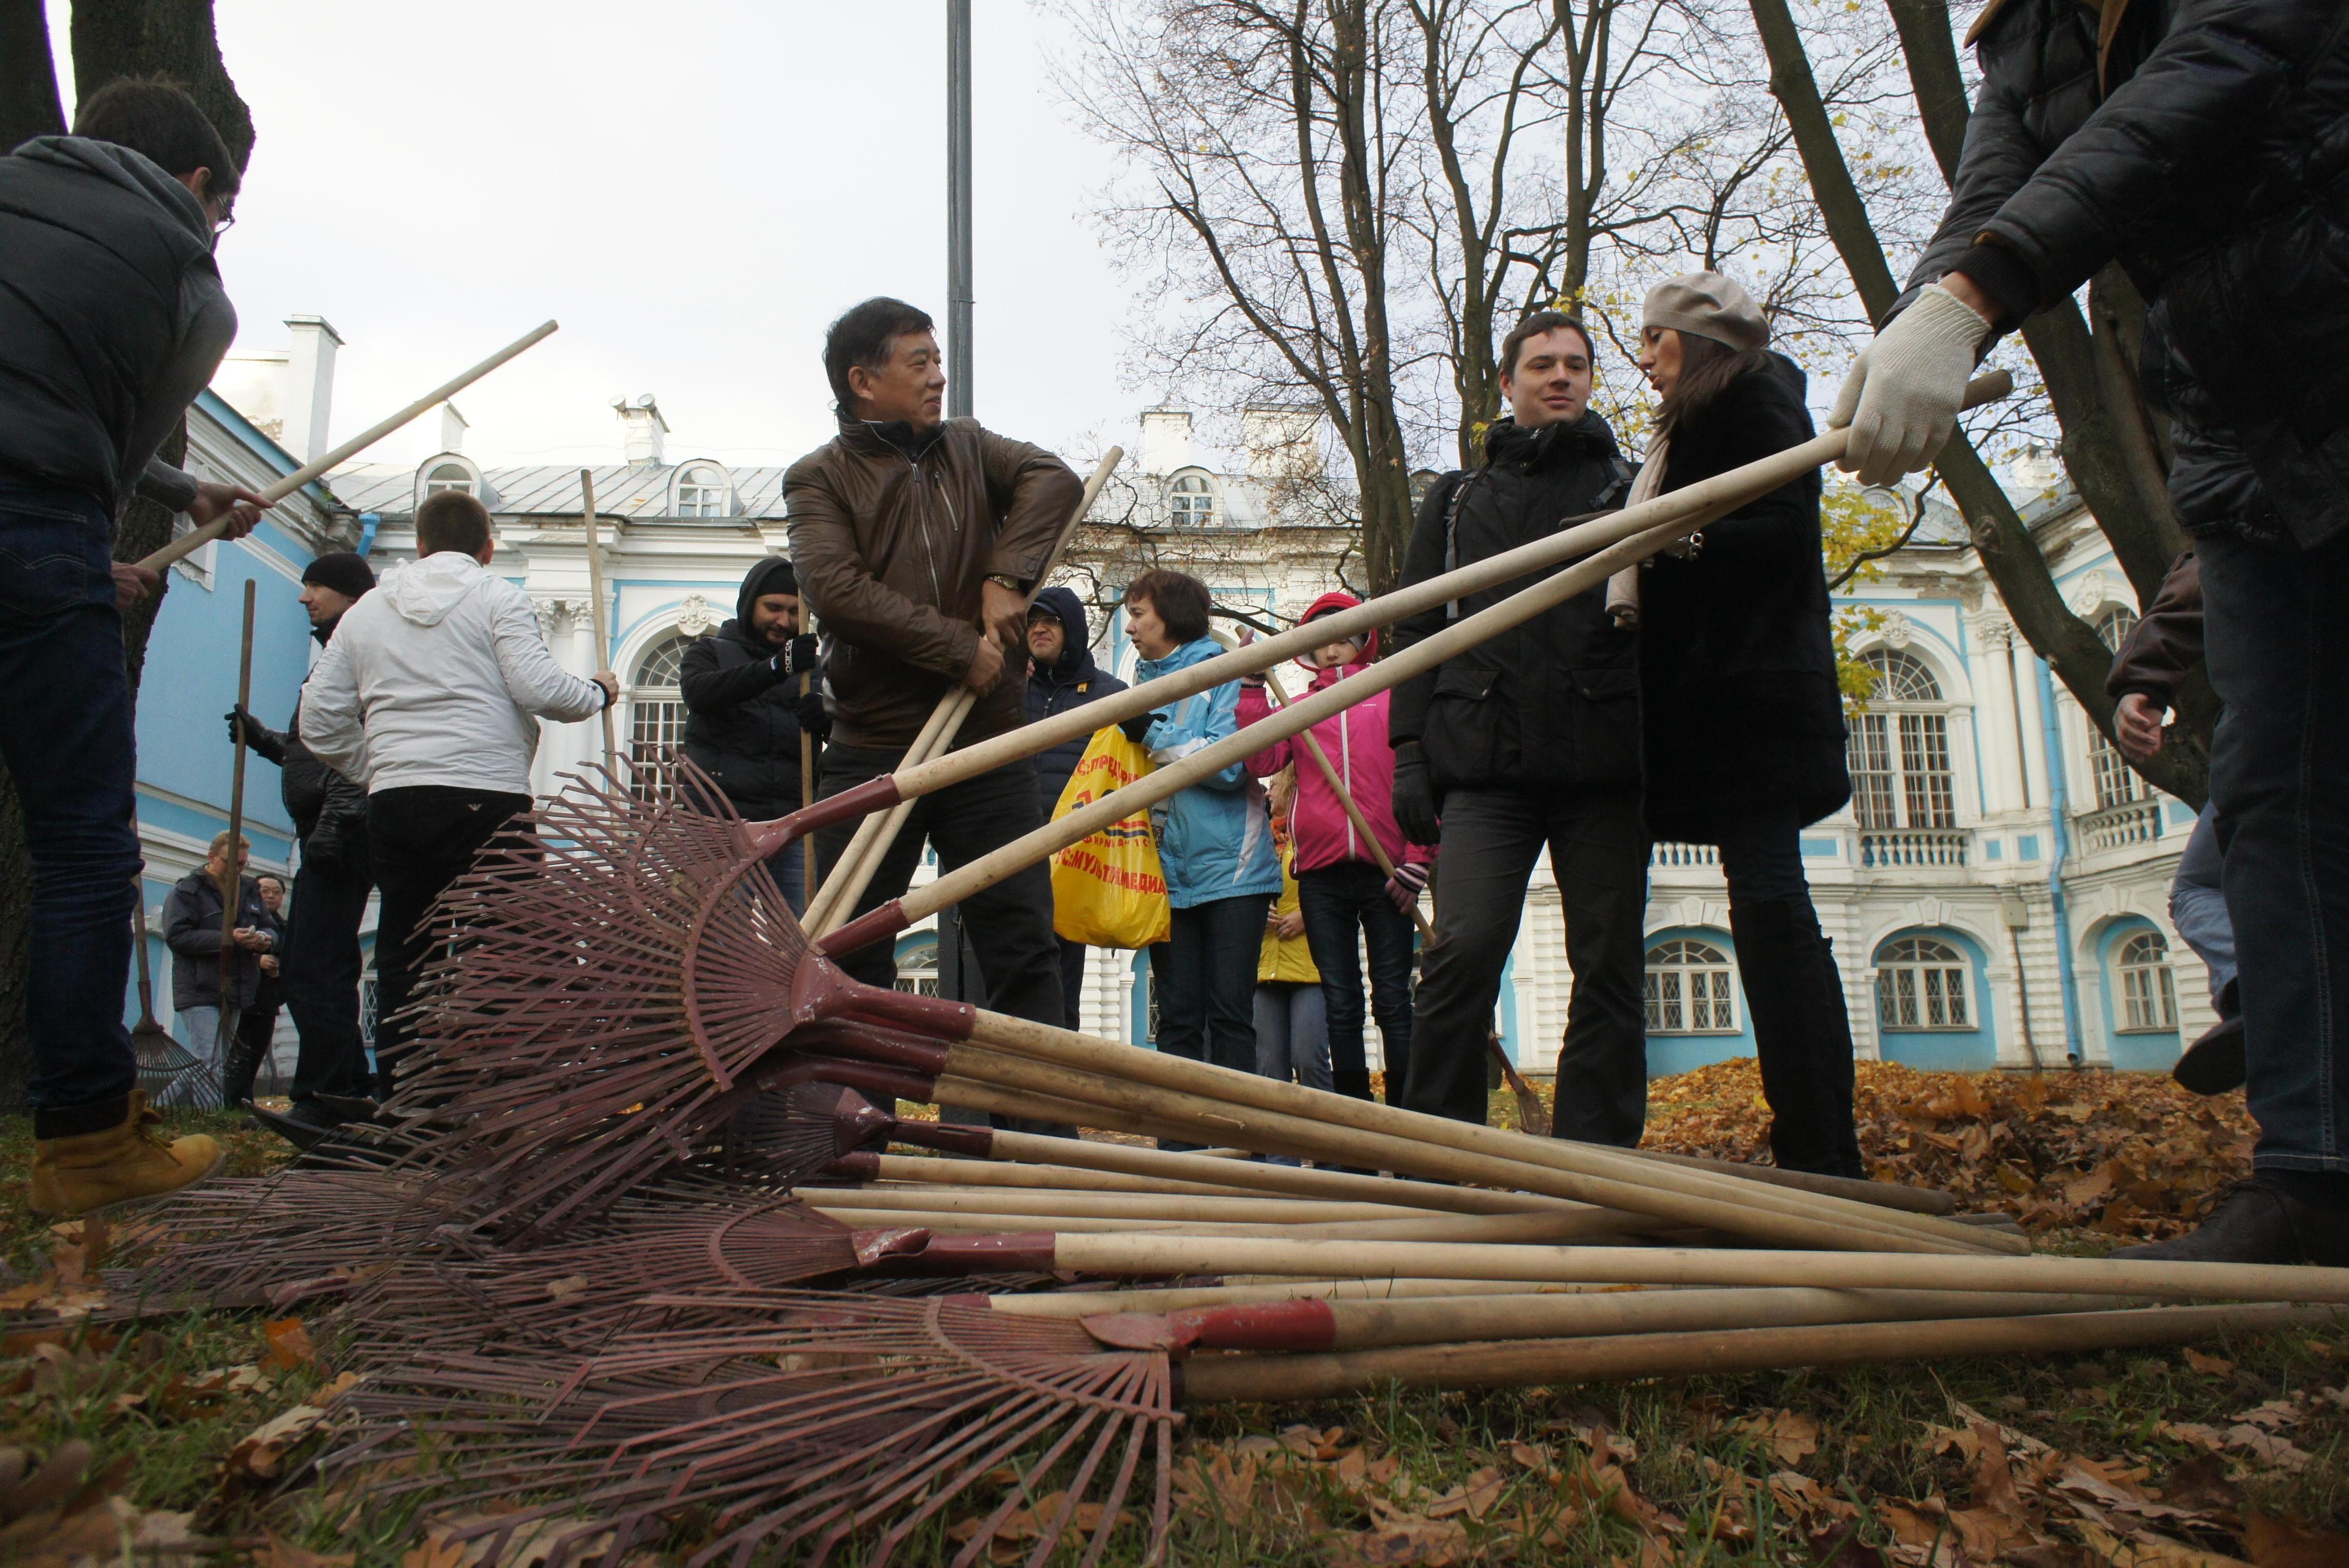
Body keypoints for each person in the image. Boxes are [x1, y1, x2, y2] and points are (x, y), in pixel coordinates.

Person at [1833, 0, 2347, 1263]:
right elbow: (1997, 182)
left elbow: (2202, 87)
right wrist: (1922, 315)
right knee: (2273, 801)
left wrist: (1973, 295)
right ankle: (2313, 1174)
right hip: (2235, 416)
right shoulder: (2024, 29)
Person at [2, 78, 277, 1213]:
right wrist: (76, 556)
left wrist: (175, 495)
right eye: (223, 211)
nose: (216, 230)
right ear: (199, 184)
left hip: (37, 533)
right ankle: (84, 1146)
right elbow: (103, 450)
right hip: (37, 522)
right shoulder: (187, 280)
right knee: (81, 848)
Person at [787, 297, 1082, 1075]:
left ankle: (1040, 1132)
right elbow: (836, 590)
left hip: (986, 744)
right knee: (849, 954)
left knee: (1023, 947)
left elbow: (1053, 478)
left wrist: (1005, 576)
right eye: (918, 362)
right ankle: (856, 1126)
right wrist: (959, 650)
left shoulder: (969, 447)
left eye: (937, 359)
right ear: (863, 381)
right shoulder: (818, 478)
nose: (937, 377)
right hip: (874, 748)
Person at [1387, 310, 1648, 1138]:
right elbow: (1415, 627)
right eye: (1541, 364)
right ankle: (1442, 1152)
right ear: (1507, 383)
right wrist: (1407, 750)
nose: (1560, 376)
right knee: (1460, 951)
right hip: (1484, 766)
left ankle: (1594, 1157)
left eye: (1575, 363)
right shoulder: (1457, 500)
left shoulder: (1634, 489)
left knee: (1608, 961)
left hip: (1602, 765)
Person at [1631, 273, 1861, 1177]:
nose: (1643, 359)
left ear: (1698, 343)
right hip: (1720, 704)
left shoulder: (1756, 400)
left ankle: (1821, 1145)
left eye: (1654, 339)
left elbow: (1781, 531)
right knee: (1765, 906)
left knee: (1772, 909)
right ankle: (1812, 1140)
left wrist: (1673, 539)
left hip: (1753, 704)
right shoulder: (1695, 422)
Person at [302, 489, 617, 1098]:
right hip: (486, 797)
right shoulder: (496, 595)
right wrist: (598, 691)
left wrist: (380, 767)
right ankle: (499, 1091)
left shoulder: (367, 612)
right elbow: (541, 690)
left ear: (419, 544)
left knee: (406, 948)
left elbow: (317, 718)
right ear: (488, 548)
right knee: (507, 947)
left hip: (397, 800)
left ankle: (405, 1097)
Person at [1238, 595, 1429, 1104]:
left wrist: (1418, 858)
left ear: (1363, 638)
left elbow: (1422, 780)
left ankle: (1408, 1118)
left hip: (1387, 869)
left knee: (1392, 999)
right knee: (1341, 1002)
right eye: (1321, 641)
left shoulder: (1391, 698)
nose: (1331, 649)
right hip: (1321, 875)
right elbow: (1260, 760)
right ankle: (1355, 1121)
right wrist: (1252, 686)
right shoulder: (1299, 709)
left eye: (1343, 637)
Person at [1121, 569, 1284, 1130]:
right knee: (1177, 1016)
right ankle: (1182, 1145)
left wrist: (1152, 733)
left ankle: (1239, 1143)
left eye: (1138, 614)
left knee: (1229, 1015)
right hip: (1165, 873)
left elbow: (1230, 765)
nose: (1130, 628)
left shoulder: (1223, 674)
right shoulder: (1138, 686)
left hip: (1232, 872)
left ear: (1170, 615)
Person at [224, 551, 379, 1131]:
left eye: (316, 585)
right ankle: (343, 1084)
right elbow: (315, 750)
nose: (303, 596)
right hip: (329, 828)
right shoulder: (338, 650)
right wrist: (266, 740)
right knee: (314, 963)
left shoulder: (357, 651)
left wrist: (335, 825)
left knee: (313, 965)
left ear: (351, 595)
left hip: (341, 831)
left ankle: (328, 1092)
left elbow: (356, 746)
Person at [2106, 550, 2239, 1095]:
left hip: (2282, 731)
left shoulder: (2247, 508)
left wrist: (2142, 682)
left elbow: (2199, 578)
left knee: (2197, 889)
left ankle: (2251, 987)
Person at [679, 555, 827, 912]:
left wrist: (827, 718)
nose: (784, 621)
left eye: (794, 611)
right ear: (749, 605)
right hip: (721, 827)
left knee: (804, 932)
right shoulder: (709, 652)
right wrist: (776, 668)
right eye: (773, 608)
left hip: (795, 825)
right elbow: (700, 693)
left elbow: (845, 737)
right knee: (720, 932)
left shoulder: (811, 670)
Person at [1025, 584, 1129, 1029]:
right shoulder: (1010, 689)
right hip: (1012, 848)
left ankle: (1060, 1064)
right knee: (1013, 969)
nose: (1039, 629)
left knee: (1063, 977)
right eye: (1032, 622)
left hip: (1073, 857)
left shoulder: (1111, 694)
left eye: (1050, 621)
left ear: (1072, 629)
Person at [160, 832, 277, 1104]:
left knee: (214, 1058)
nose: (237, 870)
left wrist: (266, 939)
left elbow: (270, 925)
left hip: (236, 986)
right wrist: (228, 939)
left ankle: (159, 1107)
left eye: (243, 864)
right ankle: (212, 1117)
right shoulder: (187, 892)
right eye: (231, 862)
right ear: (211, 857)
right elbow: (177, 936)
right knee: (210, 1059)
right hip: (198, 986)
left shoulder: (249, 890)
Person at [1255, 769, 1332, 1105]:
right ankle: (1277, 1141)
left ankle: (1328, 1137)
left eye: (1273, 786)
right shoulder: (1259, 837)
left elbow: (1343, 891)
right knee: (1268, 1070)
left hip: (1310, 966)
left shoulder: (1317, 833)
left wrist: (1308, 916)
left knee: (1309, 1059)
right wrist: (1254, 912)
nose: (1268, 794)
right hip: (1263, 967)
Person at [220, 871, 286, 1105]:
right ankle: (230, 1101)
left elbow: (294, 958)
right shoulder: (242, 921)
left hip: (267, 1001)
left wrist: (281, 969)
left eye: (276, 892)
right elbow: (229, 952)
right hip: (240, 1000)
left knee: (256, 1054)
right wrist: (257, 961)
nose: (270, 896)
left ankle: (244, 1102)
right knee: (236, 1057)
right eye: (264, 891)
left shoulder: (285, 928)